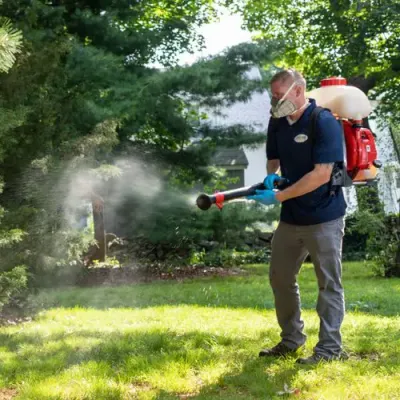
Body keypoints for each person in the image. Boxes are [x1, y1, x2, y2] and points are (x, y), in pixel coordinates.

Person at [247, 69, 348, 365]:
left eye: (280, 95)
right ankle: (291, 339)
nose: (275, 101)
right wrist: (272, 179)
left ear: (298, 91)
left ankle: (329, 349)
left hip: (324, 216)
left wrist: (277, 196)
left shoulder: (323, 122)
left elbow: (322, 174)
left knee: (329, 284)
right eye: (273, 95)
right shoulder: (277, 122)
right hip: (291, 217)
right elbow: (274, 160)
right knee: (280, 278)